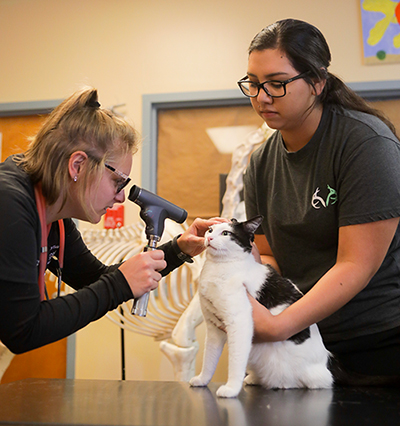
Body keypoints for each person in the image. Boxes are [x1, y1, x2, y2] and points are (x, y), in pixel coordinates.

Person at [0, 87, 222, 354]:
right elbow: (23, 331)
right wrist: (120, 284)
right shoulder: (9, 205)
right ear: (78, 165)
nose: (120, 198)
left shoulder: (53, 217)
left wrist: (178, 249)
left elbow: (96, 279)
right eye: (118, 182)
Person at [240, 19, 400, 383]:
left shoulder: (365, 144)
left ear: (316, 82)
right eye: (253, 83)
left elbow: (354, 265)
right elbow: (268, 255)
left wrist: (278, 326)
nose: (261, 96)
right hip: (307, 343)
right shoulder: (261, 162)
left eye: (277, 84)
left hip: (378, 344)